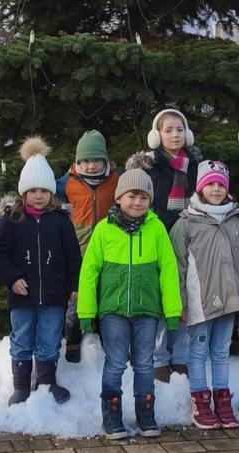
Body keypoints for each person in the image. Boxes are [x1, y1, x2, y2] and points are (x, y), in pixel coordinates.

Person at [77, 169, 183, 440]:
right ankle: (111, 416)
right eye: (132, 196)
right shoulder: (104, 229)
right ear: (119, 198)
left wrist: (173, 309)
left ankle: (145, 414)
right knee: (115, 363)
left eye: (143, 197)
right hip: (113, 310)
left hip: (146, 310)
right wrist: (86, 310)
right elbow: (89, 271)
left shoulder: (156, 228)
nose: (137, 202)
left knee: (145, 364)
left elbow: (169, 270)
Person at [169, 160, 239, 430]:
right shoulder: (186, 224)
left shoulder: (236, 222)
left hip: (230, 302)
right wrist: (181, 302)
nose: (215, 189)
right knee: (198, 351)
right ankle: (200, 401)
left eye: (220, 184)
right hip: (199, 303)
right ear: (200, 188)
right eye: (209, 184)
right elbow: (176, 266)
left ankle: (222, 400)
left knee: (220, 351)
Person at [0, 136, 82, 406]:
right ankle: (21, 386)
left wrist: (75, 286)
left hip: (54, 295)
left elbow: (73, 256)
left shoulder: (61, 221)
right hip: (22, 296)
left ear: (51, 192)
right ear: (23, 193)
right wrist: (12, 278)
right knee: (22, 339)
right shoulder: (12, 220)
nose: (39, 195)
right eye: (33, 191)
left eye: (44, 190)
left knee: (50, 338)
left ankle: (47, 382)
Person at [126, 108, 202, 383]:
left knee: (184, 298)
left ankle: (180, 356)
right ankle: (159, 358)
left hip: (189, 241)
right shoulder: (149, 167)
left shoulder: (196, 166)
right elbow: (141, 204)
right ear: (156, 136)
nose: (174, 134)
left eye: (179, 129)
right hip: (159, 239)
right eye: (168, 130)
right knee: (159, 301)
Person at [55, 130, 120, 363]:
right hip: (78, 249)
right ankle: (72, 338)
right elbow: (44, 192)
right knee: (76, 298)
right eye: (85, 161)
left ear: (105, 160)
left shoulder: (116, 179)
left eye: (96, 160)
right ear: (77, 161)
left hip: (108, 249)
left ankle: (107, 336)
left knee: (106, 295)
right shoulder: (67, 182)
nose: (91, 166)